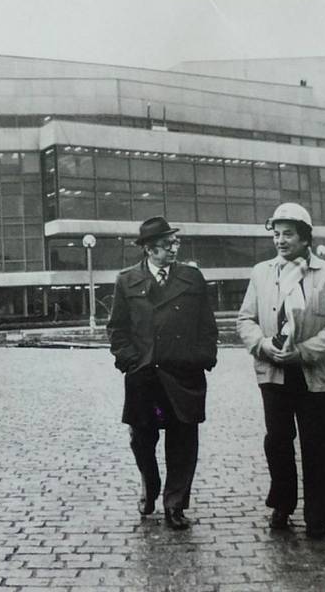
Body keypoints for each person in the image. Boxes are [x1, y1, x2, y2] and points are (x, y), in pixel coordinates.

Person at [236, 202, 325, 539]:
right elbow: (246, 319)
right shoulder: (261, 272)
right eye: (276, 234)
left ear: (305, 238)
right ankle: (282, 505)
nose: (280, 240)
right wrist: (263, 346)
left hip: (314, 374)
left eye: (288, 234)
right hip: (274, 374)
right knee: (278, 442)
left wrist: (304, 352)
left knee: (316, 445)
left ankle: (317, 517)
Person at [107, 216, 218, 530]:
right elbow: (117, 328)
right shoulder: (126, 280)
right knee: (143, 439)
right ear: (149, 249)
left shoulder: (192, 278)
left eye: (175, 243)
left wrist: (203, 357)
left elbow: (207, 327)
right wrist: (130, 360)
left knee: (183, 442)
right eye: (167, 244)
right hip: (146, 379)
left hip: (184, 376)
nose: (174, 248)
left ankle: (175, 505)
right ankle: (151, 483)